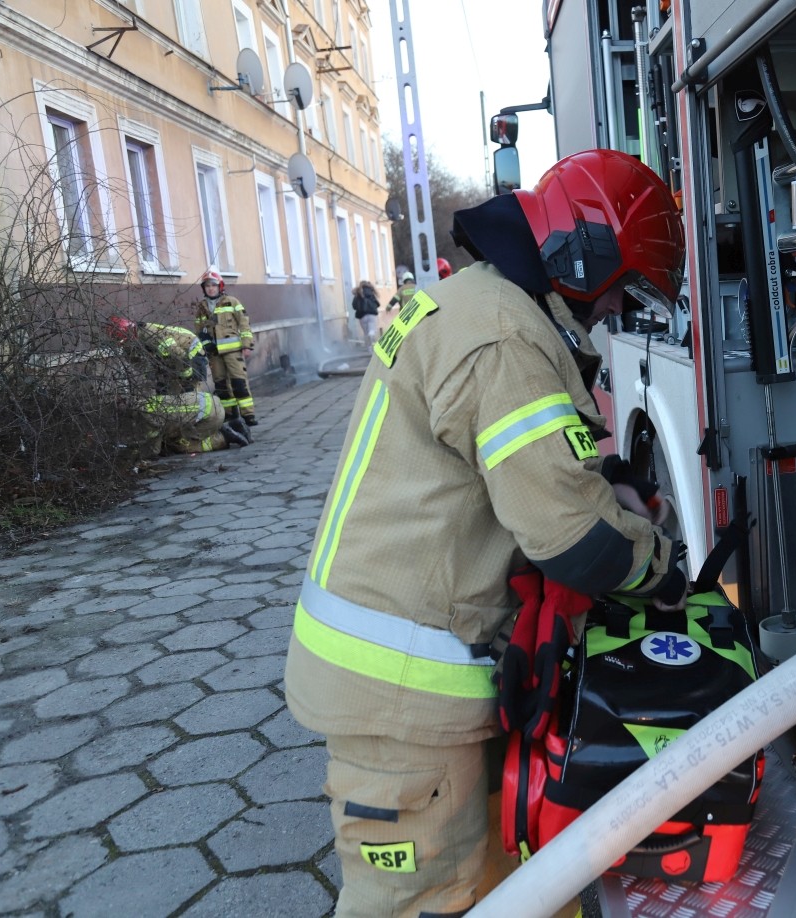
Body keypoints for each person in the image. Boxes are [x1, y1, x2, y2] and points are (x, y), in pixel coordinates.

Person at [284, 149, 687, 918]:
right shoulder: (504, 337)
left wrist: (606, 484)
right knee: (433, 901)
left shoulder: (479, 303)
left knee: (511, 890)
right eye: (617, 292)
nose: (611, 314)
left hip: (414, 680)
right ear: (584, 255)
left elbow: (504, 471)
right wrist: (660, 572)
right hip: (405, 699)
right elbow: (571, 539)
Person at [105, 316, 250, 454]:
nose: (123, 345)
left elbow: (177, 356)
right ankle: (222, 427)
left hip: (191, 357)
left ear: (129, 333)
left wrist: (185, 378)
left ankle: (217, 436)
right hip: (172, 365)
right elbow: (142, 366)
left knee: (184, 401)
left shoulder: (152, 336)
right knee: (178, 404)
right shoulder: (133, 342)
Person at [193, 270, 259, 426]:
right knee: (221, 385)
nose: (210, 288)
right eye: (207, 286)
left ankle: (248, 415)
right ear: (204, 288)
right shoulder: (201, 307)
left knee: (239, 383)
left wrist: (247, 345)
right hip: (214, 353)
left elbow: (244, 324)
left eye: (213, 285)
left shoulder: (231, 302)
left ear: (219, 286)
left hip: (233, 351)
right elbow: (199, 329)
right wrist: (204, 343)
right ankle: (230, 414)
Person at [352, 279, 381, 344]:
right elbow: (378, 304)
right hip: (372, 315)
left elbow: (354, 306)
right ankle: (372, 337)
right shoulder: (372, 293)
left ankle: (369, 349)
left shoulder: (358, 294)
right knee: (372, 329)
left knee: (365, 332)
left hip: (362, 316)